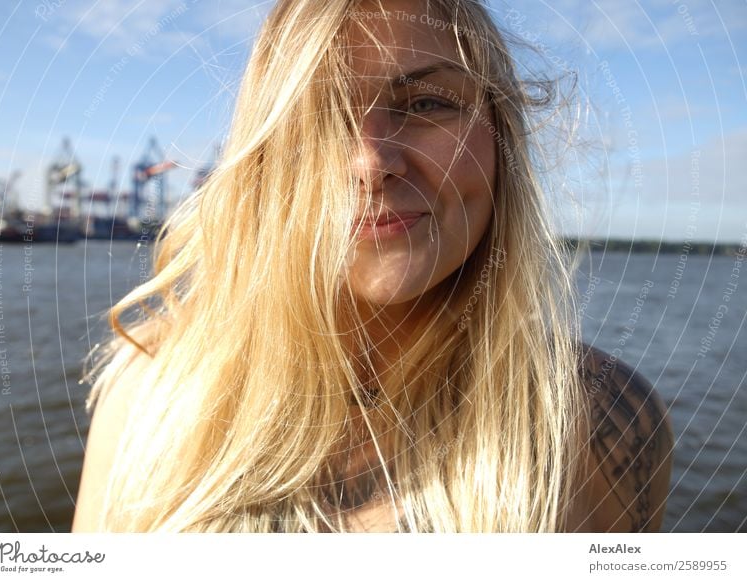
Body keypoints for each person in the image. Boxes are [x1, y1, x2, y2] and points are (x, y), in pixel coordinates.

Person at [72, 0, 673, 533]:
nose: (370, 162)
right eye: (319, 116)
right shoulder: (150, 394)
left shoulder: (600, 420)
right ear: (264, 164)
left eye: (427, 103)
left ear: (500, 138)